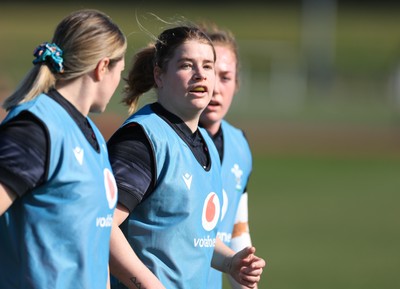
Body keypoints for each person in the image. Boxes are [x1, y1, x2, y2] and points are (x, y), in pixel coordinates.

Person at [107, 25, 265, 289]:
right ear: (159, 75)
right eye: (187, 65)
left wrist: (230, 263)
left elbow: (195, 235)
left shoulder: (207, 145)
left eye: (208, 66)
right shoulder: (142, 139)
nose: (200, 75)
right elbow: (102, 226)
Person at [0, 9, 126, 289]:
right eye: (120, 71)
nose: (118, 82)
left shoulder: (91, 133)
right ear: (103, 67)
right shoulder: (35, 128)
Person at [198, 23, 259, 289]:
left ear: (237, 84)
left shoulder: (239, 145)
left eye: (226, 77)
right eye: (210, 73)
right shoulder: (161, 138)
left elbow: (238, 230)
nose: (216, 88)